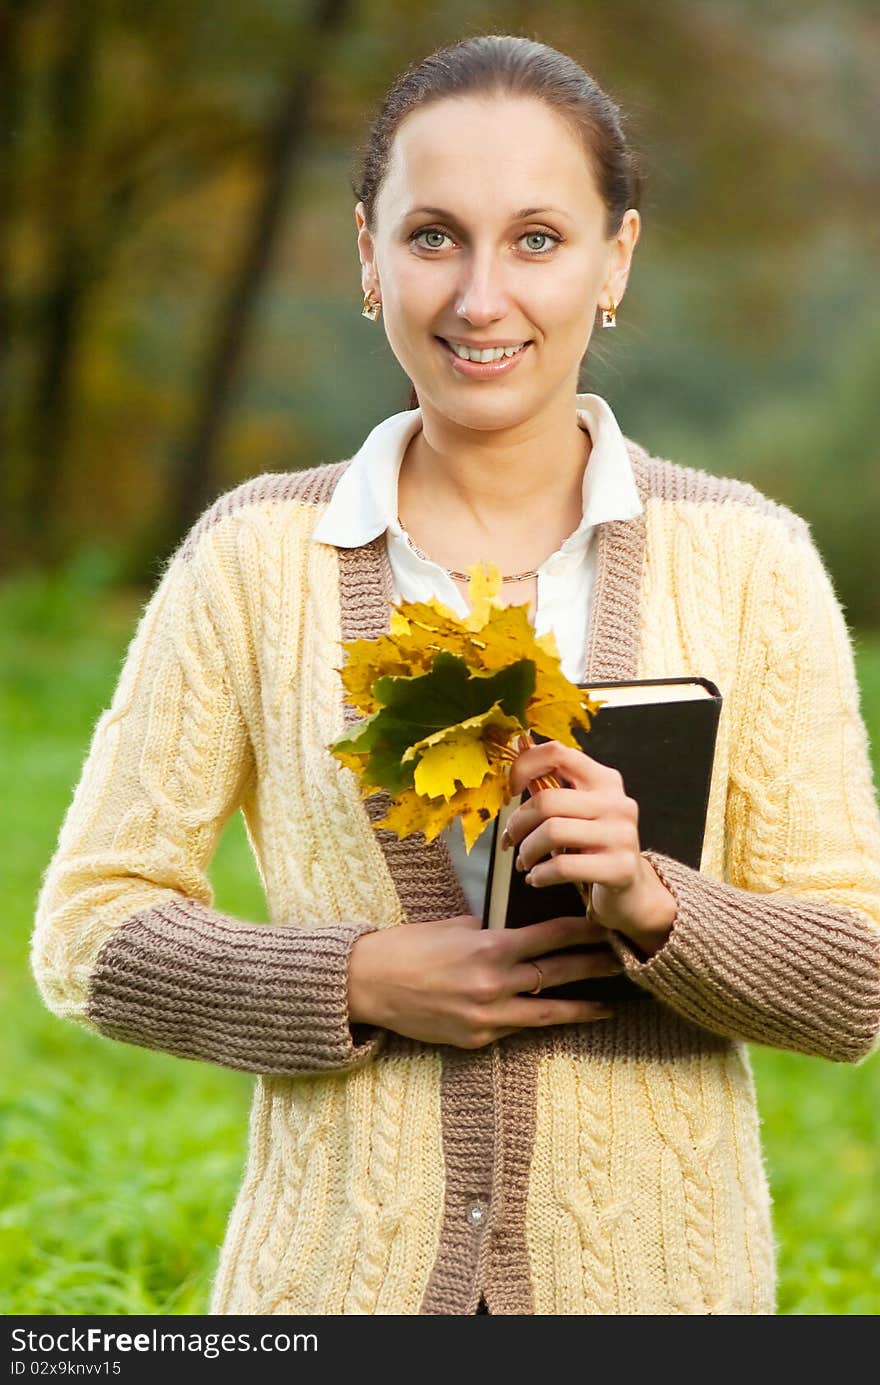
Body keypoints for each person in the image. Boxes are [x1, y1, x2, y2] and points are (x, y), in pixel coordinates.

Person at [30, 34, 880, 1317]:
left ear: (616, 259)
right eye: (434, 235)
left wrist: (656, 904)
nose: (482, 296)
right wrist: (354, 976)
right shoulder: (254, 559)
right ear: (367, 257)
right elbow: (88, 927)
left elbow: (853, 982)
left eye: (537, 238)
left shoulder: (751, 563)